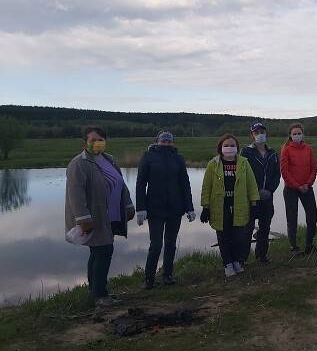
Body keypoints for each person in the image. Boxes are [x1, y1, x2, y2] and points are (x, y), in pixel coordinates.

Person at [65, 126, 135, 306]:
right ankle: (100, 295)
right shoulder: (78, 164)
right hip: (94, 217)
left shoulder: (109, 160)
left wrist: (128, 206)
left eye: (101, 140)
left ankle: (94, 290)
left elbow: (121, 184)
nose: (98, 143)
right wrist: (83, 219)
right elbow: (76, 194)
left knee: (98, 252)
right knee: (104, 251)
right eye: (94, 140)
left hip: (110, 216)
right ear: (84, 143)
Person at [136, 131, 195, 289]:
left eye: (169, 141)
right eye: (163, 141)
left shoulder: (178, 159)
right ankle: (149, 278)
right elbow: (141, 184)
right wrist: (140, 208)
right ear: (157, 141)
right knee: (156, 244)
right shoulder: (148, 157)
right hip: (155, 209)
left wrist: (189, 208)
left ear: (173, 143)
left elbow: (185, 184)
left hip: (175, 208)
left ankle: (167, 275)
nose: (166, 143)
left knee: (171, 243)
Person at [201, 134, 259, 277]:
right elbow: (206, 187)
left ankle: (237, 261)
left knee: (239, 237)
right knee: (223, 237)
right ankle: (227, 263)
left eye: (232, 145)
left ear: (237, 148)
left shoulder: (244, 163)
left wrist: (254, 203)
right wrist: (205, 207)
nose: (229, 148)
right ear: (220, 148)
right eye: (226, 145)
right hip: (220, 207)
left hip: (239, 206)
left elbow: (251, 185)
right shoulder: (213, 164)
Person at [241, 122, 281, 263]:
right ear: (252, 135)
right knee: (247, 228)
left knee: (265, 228)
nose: (260, 135)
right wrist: (255, 191)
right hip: (250, 198)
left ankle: (261, 256)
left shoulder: (273, 153)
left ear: (266, 133)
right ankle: (242, 258)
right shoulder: (245, 152)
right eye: (256, 132)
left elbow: (277, 174)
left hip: (267, 197)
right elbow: (243, 174)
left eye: (262, 132)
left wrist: (270, 190)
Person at [280, 123, 317, 254]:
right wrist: (297, 185)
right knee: (292, 218)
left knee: (312, 216)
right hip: (291, 189)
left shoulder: (308, 149)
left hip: (307, 188)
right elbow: (284, 172)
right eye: (294, 133)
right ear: (290, 136)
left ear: (303, 134)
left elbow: (314, 168)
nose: (297, 135)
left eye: (299, 133)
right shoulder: (286, 149)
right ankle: (293, 246)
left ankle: (309, 244)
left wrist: (308, 184)